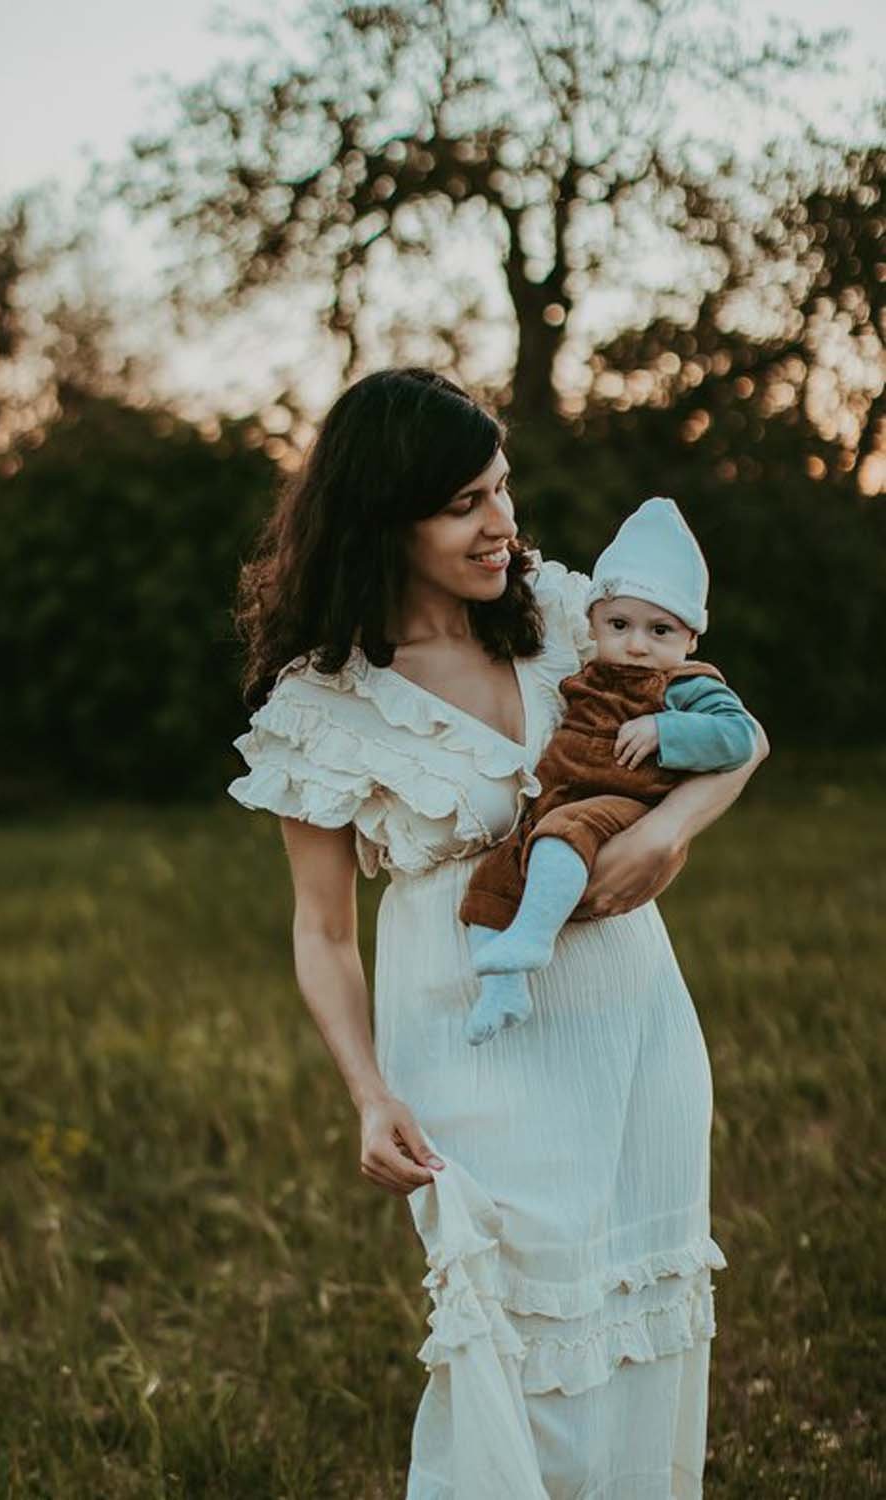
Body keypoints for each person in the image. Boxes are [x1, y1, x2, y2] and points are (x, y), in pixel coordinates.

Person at [227, 367, 768, 1499]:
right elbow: (322, 934)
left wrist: (668, 831)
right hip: (467, 1048)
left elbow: (739, 737)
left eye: (501, 489)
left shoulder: (567, 618)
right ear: (388, 516)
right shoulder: (320, 708)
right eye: (464, 501)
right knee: (518, 1358)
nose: (501, 523)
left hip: (636, 1022)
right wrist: (368, 1094)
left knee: (642, 1341)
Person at [460, 496, 760, 1046]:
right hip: (559, 798)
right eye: (620, 624)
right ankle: (504, 988)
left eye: (661, 631)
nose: (638, 644)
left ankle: (533, 937)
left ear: (691, 638)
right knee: (489, 886)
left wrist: (666, 733)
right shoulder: (587, 671)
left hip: (622, 802)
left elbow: (740, 737)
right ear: (594, 621)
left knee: (561, 839)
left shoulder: (687, 683)